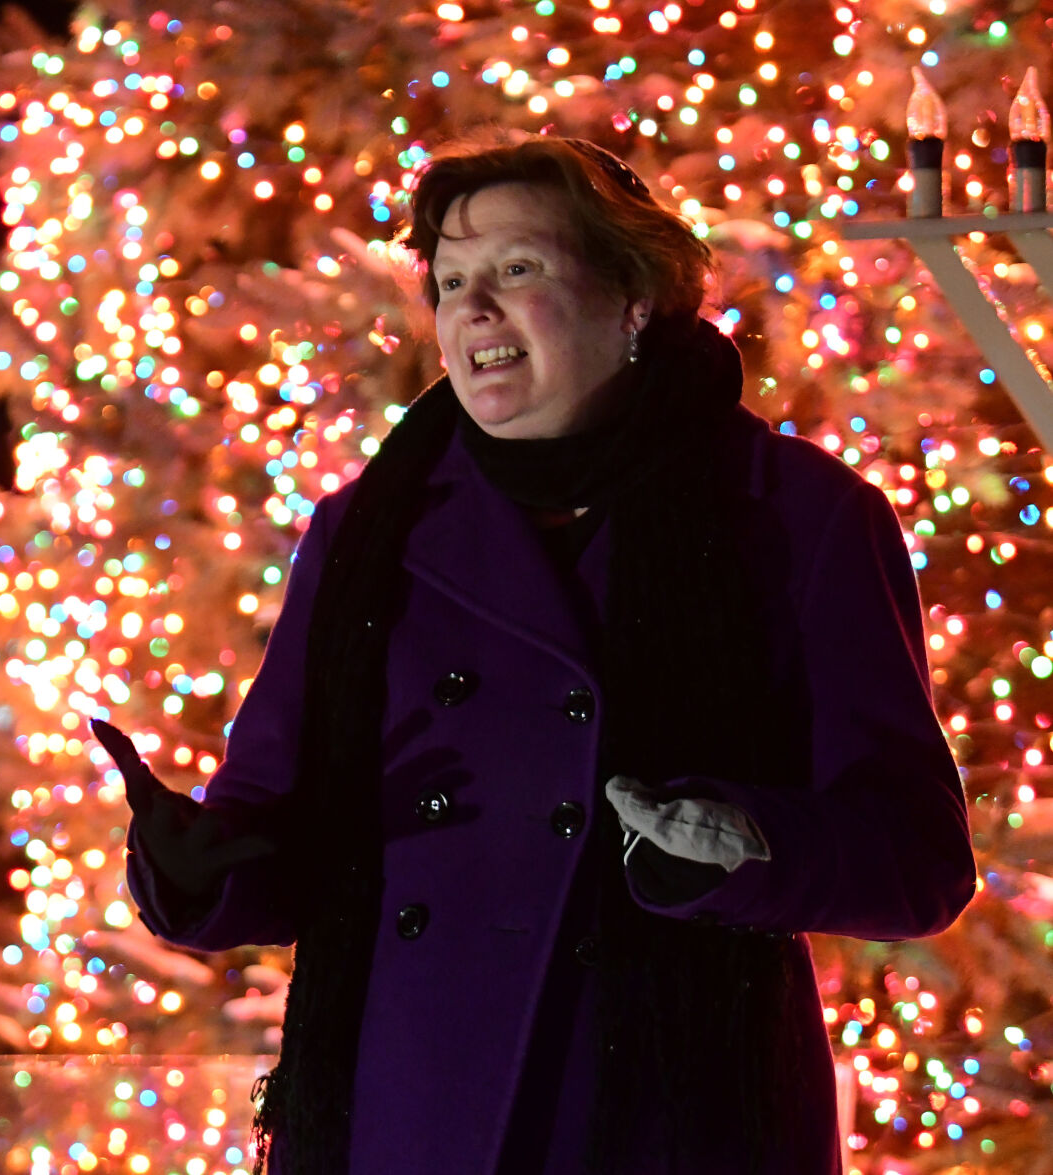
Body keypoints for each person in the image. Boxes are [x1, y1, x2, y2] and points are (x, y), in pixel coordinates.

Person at [94, 137, 976, 1173]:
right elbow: (277, 832)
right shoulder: (369, 530)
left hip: (671, 1119)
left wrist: (736, 842)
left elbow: (915, 859)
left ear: (632, 297)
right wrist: (197, 865)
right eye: (451, 281)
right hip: (402, 1114)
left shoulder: (795, 514)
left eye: (516, 270)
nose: (471, 310)